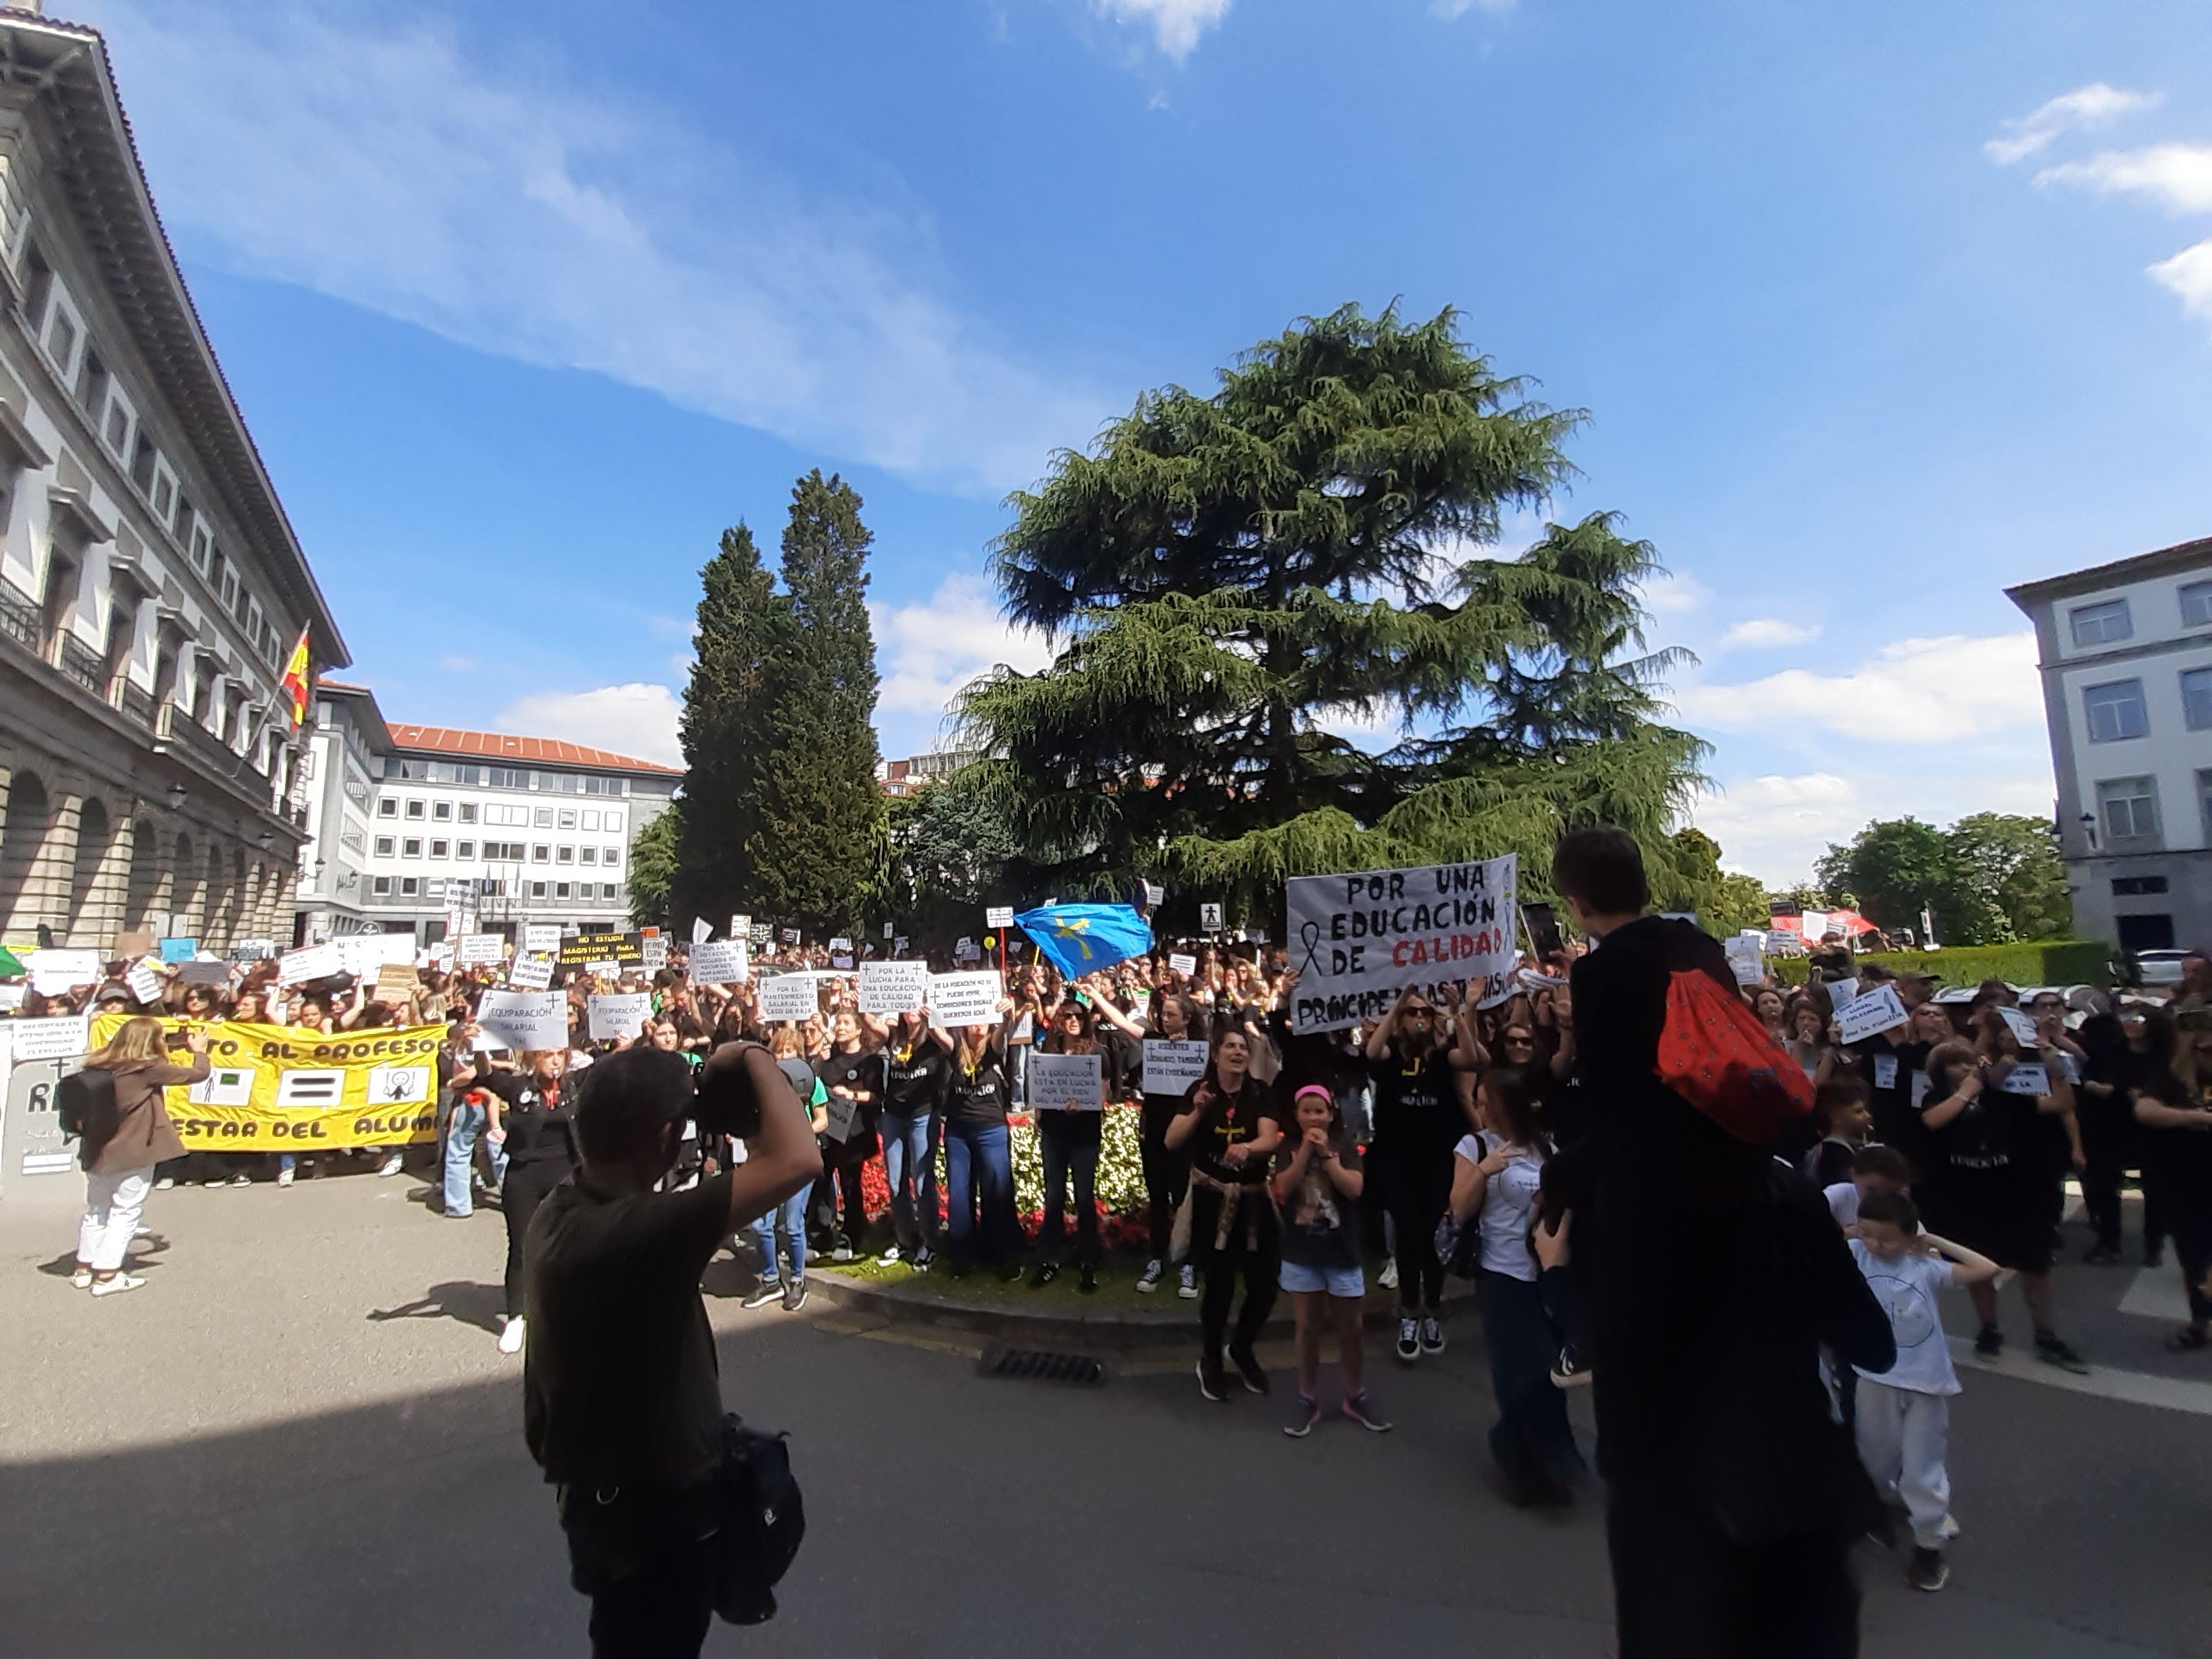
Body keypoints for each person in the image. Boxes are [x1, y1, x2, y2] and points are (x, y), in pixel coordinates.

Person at [1544, 826, 1894, 1659]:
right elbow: (1869, 1342)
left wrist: (1575, 1190)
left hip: (1678, 1551)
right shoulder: (1783, 1198)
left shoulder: (1624, 1214)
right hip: (1797, 1523)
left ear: (1578, 902)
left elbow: (1585, 1330)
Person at [524, 1042, 819, 1657]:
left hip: (605, 1502)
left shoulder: (563, 1209)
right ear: (663, 1137)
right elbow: (797, 1159)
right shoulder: (635, 1233)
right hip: (658, 1516)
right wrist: (751, 1054)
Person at [1848, 1189, 2001, 1594]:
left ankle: (1929, 1546)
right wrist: (1852, 1233)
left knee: (1922, 1465)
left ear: (1910, 1237)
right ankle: (1878, 1510)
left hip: (1925, 1384)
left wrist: (1933, 1242)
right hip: (1874, 1377)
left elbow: (1986, 1268)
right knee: (1873, 1456)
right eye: (1867, 1233)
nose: (1875, 1245)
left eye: (1886, 1238)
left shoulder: (1925, 1268)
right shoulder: (1856, 1255)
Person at [1915, 1023, 2088, 1371]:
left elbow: (2060, 1104)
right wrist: (1969, 1090)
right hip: (1966, 1196)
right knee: (1979, 1267)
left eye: (1969, 1063)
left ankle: (2046, 1334)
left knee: (2034, 1265)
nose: (1965, 1069)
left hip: (2017, 1193)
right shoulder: (1936, 1098)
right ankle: (1989, 1328)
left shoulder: (2007, 1095)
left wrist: (2055, 1069)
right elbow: (1933, 1121)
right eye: (1955, 1064)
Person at [1451, 1064, 1580, 1503]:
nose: (1483, 1109)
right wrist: (1485, 1169)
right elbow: (1459, 1208)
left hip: (1541, 1271)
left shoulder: (1543, 1147)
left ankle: (1549, 1457)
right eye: (1479, 1101)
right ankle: (1521, 1461)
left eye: (1490, 1101)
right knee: (1519, 1370)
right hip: (1500, 1273)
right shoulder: (1474, 1146)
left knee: (1547, 1370)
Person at [1166, 1028, 1283, 1401]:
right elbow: (1171, 1140)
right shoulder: (1200, 1091)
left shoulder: (1260, 1092)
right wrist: (1199, 1110)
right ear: (1216, 1054)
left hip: (1252, 1200)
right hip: (1211, 1200)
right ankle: (1211, 1359)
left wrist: (1247, 1148)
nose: (1237, 1052)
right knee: (1219, 1287)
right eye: (1230, 1046)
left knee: (1265, 1284)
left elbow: (1269, 1137)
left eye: (1243, 1047)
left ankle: (1243, 1348)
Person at [1364, 984, 1480, 1363]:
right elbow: (1371, 1051)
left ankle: (1432, 1309)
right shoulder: (1392, 1055)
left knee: (1434, 1239)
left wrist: (1456, 1010)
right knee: (1408, 1240)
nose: (1418, 1018)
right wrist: (1397, 1003)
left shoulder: (1443, 1056)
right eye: (1412, 1013)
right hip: (1398, 1163)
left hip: (1437, 1163)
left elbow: (1473, 1057)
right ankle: (1409, 1311)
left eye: (1424, 1013)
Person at [1272, 1083, 1389, 1435]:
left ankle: (1355, 1394)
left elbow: (1354, 1188)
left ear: (1331, 1113)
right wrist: (1305, 1153)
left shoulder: (1345, 1146)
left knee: (1351, 1327)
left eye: (1319, 1110)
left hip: (1343, 1250)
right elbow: (1283, 1188)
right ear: (1296, 1115)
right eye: (1306, 1110)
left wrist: (1328, 1158)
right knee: (1306, 1327)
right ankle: (1307, 1397)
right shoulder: (1287, 1147)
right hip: (1301, 1252)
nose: (1313, 1117)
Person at [70, 1018, 209, 1296]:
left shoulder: (97, 1064)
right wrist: (200, 1051)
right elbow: (197, 1074)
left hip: (97, 1148)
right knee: (126, 1210)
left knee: (97, 1210)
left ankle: (83, 1268)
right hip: (133, 1149)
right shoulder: (146, 1068)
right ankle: (108, 1275)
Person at [1093, 986, 1200, 1297]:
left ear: (1186, 1018)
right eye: (1163, 1014)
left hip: (1184, 1132)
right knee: (1157, 1198)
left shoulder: (1199, 1048)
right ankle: (1156, 1258)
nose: (1165, 1019)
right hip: (1152, 1132)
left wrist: (1189, 1050)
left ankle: (1187, 1262)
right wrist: (1097, 997)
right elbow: (1122, 1023)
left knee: (1183, 1198)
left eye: (1171, 1015)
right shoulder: (1152, 1041)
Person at [2127, 1010, 2212, 1351]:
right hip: (2185, 1183)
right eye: (2204, 1050)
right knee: (2193, 1257)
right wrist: (2197, 1117)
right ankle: (2199, 1323)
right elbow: (2144, 1110)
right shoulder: (2172, 1081)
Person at [483, 1049, 576, 1356]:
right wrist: (480, 1046)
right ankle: (516, 1317)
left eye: (560, 1055)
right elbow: (487, 1075)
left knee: (567, 1245)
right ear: (534, 1059)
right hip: (525, 1176)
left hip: (566, 1176)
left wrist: (623, 1045)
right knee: (522, 1246)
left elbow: (614, 1064)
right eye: (548, 1055)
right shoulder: (519, 1087)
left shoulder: (574, 1085)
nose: (555, 1061)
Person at [936, 1003, 1024, 1279]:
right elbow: (935, 1030)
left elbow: (1001, 1034)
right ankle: (962, 1254)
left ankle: (1002, 1254)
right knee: (960, 1195)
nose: (979, 1025)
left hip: (991, 1130)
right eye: (973, 1020)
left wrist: (1007, 1017)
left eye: (984, 1020)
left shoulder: (994, 1049)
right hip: (958, 1132)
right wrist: (931, 1011)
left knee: (997, 1191)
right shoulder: (954, 1048)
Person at [744, 1027, 825, 1311]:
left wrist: (800, 1134)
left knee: (793, 1224)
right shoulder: (763, 1086)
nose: (783, 1055)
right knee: (759, 1224)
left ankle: (797, 1280)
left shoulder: (811, 1082)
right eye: (778, 1051)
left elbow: (822, 1120)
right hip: (771, 1161)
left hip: (799, 1160)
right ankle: (770, 1279)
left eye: (789, 1050)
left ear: (799, 1055)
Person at [1031, 1000, 1104, 1292]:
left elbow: (1104, 1093)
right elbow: (1039, 1091)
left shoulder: (1098, 1052)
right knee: (1054, 1197)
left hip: (1085, 1134)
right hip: (1054, 1132)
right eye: (1068, 1016)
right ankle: (1049, 1259)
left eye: (1079, 1016)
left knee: (1085, 1198)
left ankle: (1088, 1260)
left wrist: (1085, 1103)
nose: (1074, 1020)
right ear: (1059, 1020)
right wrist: (1038, 1115)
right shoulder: (1047, 1053)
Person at [877, 1010, 947, 1271]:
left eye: (916, 1006)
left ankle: (930, 1242)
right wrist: (863, 1003)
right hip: (894, 1115)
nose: (911, 1011)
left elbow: (952, 1049)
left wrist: (932, 1023)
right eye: (906, 1005)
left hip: (923, 1115)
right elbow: (872, 1027)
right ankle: (904, 1238)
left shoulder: (934, 1040)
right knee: (895, 1182)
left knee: (922, 1180)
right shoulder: (894, 1035)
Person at [811, 1010, 880, 1262]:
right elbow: (813, 1084)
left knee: (851, 1184)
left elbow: (876, 1097)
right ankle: (819, 1235)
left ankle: (850, 1235)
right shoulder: (829, 1056)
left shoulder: (869, 1060)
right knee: (821, 1180)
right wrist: (819, 1061)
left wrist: (851, 1095)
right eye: (837, 1023)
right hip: (828, 1131)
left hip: (854, 1133)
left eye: (845, 1023)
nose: (840, 1027)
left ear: (859, 1029)